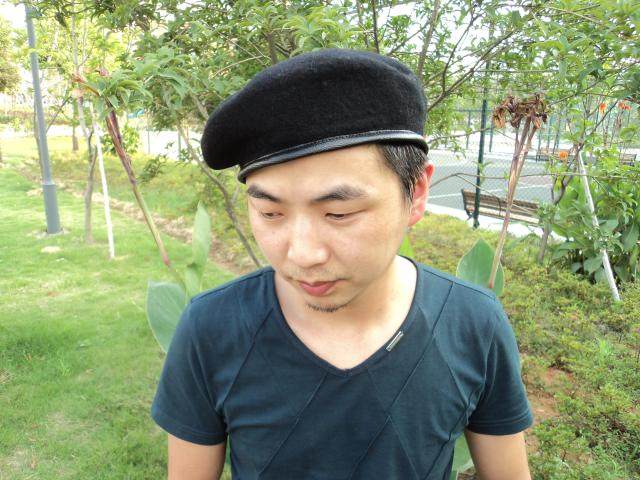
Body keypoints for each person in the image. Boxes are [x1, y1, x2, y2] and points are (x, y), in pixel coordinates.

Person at [151, 48, 534, 480]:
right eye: (270, 213)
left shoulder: (473, 324)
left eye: (338, 213)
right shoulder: (211, 329)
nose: (302, 254)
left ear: (416, 192)